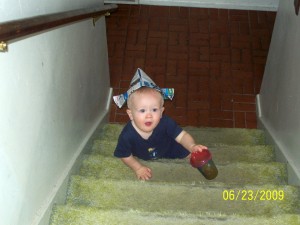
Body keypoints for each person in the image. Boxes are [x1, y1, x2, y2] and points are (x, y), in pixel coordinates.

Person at [113, 68, 208, 181]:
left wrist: (192, 146)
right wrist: (138, 168)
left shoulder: (166, 122)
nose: (149, 116)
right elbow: (124, 155)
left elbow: (182, 136)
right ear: (130, 114)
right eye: (142, 111)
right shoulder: (127, 135)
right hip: (142, 154)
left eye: (154, 110)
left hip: (170, 148)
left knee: (190, 154)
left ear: (161, 111)